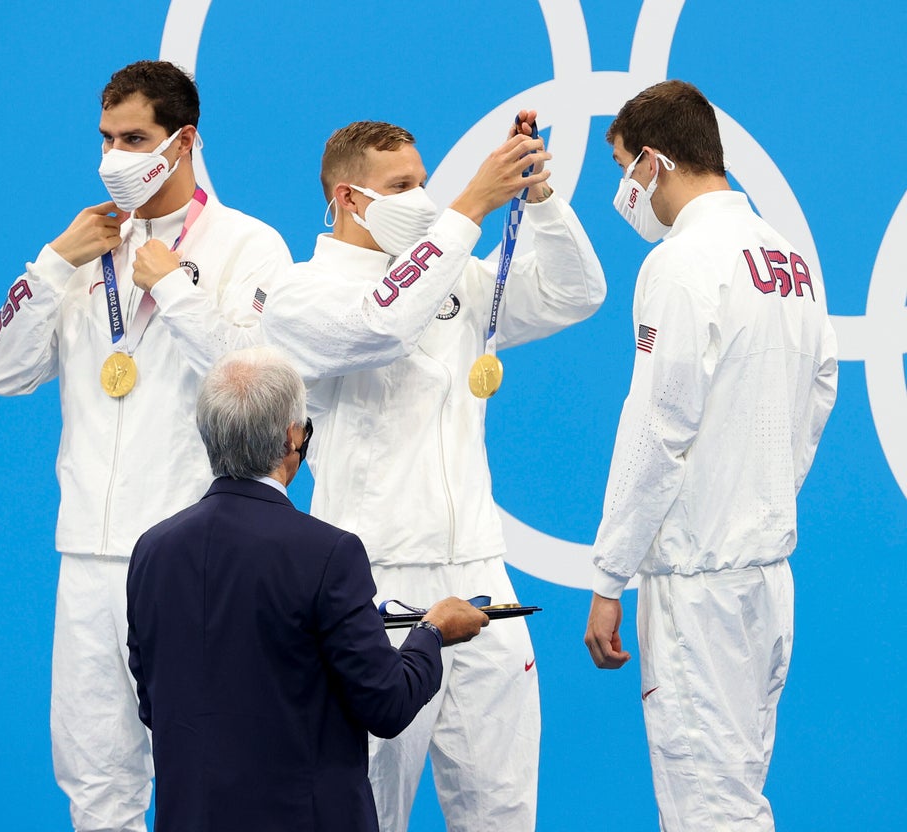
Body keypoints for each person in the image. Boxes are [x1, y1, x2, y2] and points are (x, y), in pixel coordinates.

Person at [261, 118, 607, 831]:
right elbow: (380, 326)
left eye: (424, 181)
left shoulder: (458, 279)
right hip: (372, 586)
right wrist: (467, 208)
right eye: (400, 187)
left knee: (504, 812)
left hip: (481, 572)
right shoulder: (298, 293)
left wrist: (539, 200)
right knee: (369, 813)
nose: (420, 197)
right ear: (349, 198)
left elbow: (577, 295)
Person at [0, 60, 291, 831]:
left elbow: (258, 381)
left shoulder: (250, 244)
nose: (115, 156)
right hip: (88, 552)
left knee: (212, 769)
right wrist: (54, 263)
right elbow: (4, 374)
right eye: (106, 139)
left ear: (183, 141)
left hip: (197, 551)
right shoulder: (85, 251)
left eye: (135, 138)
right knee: (95, 779)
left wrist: (174, 286)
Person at [583, 80, 839, 831]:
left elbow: (660, 425)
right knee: (737, 794)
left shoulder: (681, 261)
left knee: (709, 810)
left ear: (655, 161)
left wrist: (608, 574)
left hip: (699, 582)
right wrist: (764, 491)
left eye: (626, 169)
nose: (627, 192)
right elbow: (819, 386)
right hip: (765, 576)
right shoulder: (784, 256)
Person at [126, 346, 489, 832]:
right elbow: (388, 704)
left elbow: (155, 702)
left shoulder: (152, 551)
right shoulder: (327, 553)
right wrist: (432, 632)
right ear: (293, 438)